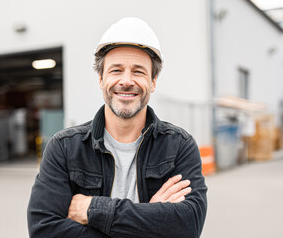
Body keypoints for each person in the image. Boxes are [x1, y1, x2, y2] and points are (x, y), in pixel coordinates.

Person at [27, 17, 207, 238]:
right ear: (101, 79)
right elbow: (43, 230)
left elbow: (188, 227)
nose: (126, 81)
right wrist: (151, 219)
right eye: (116, 70)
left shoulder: (179, 146)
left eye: (138, 71)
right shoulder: (64, 148)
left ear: (153, 81)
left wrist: (93, 210)